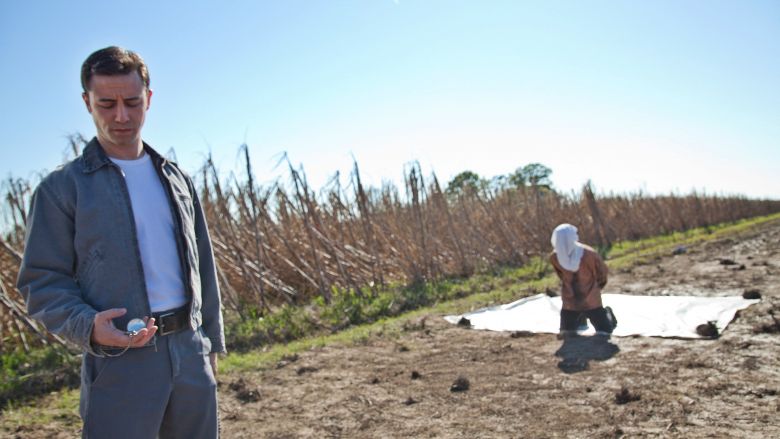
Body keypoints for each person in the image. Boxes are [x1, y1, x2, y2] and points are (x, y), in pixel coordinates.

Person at [17, 46, 225, 438]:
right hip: (121, 360)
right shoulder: (62, 189)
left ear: (148, 98)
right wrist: (88, 327)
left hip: (190, 352)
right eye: (106, 104)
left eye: (131, 102)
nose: (121, 116)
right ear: (86, 103)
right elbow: (41, 282)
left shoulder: (177, 179)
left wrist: (209, 343)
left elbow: (204, 267)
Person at [549, 223, 616, 338]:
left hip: (590, 300)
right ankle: (581, 318)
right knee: (566, 333)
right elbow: (602, 273)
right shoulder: (555, 257)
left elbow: (601, 272)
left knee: (605, 331)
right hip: (571, 302)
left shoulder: (588, 254)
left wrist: (595, 288)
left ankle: (608, 315)